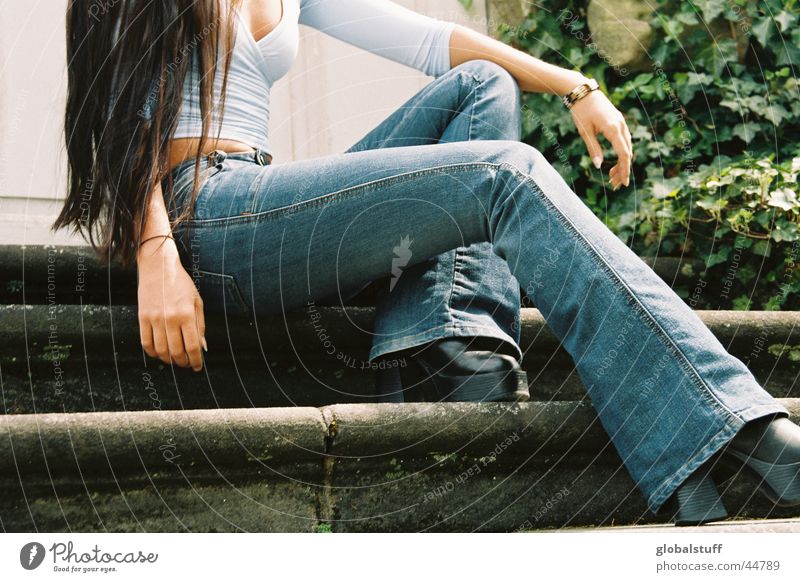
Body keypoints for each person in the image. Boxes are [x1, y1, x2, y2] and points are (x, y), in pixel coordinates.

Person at [54, 0, 800, 526]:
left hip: (260, 193)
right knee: (505, 173)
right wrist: (155, 253)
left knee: (483, 87)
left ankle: (445, 340)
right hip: (200, 215)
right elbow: (107, 126)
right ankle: (735, 424)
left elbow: (430, 41)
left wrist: (578, 85)